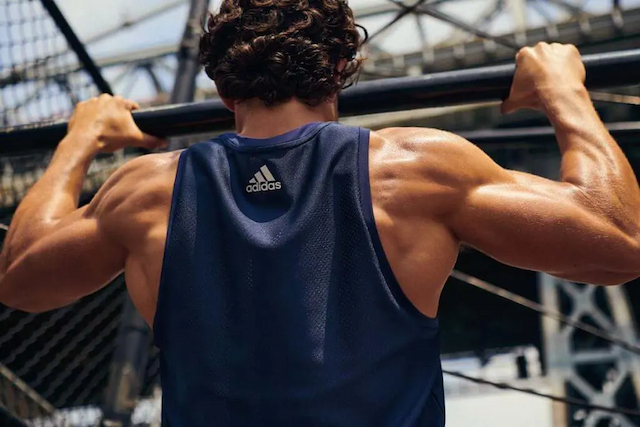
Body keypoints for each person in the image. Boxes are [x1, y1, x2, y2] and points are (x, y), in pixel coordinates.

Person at [1, 0, 640, 425]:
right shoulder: (415, 171)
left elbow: (22, 277)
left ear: (223, 90)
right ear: (340, 70)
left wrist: (79, 140)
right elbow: (617, 239)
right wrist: (564, 94)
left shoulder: (145, 195)